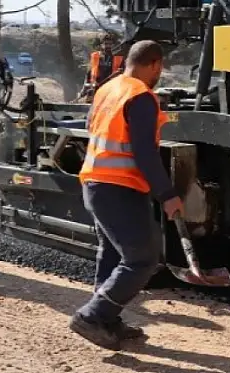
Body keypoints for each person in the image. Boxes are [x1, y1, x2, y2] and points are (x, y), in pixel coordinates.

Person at [68, 40, 184, 350]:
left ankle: (107, 319)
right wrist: (167, 194)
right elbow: (145, 153)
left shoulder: (108, 88)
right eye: (161, 68)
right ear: (155, 65)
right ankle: (93, 316)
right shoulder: (142, 96)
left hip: (95, 182)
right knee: (142, 259)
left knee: (112, 253)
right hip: (120, 186)